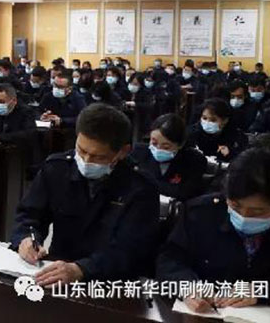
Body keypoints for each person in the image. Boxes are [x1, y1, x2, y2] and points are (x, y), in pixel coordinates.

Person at [10, 103, 159, 284]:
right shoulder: (57, 169)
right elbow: (29, 214)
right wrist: (26, 238)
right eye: (81, 150)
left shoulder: (141, 187)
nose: (86, 161)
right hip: (55, 272)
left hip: (110, 282)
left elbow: (131, 251)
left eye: (98, 157)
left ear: (123, 152)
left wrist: (82, 269)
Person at [156, 148, 270, 311]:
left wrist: (264, 291)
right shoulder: (201, 212)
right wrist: (188, 286)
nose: (244, 216)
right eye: (235, 206)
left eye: (258, 212)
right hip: (205, 311)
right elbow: (170, 259)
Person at [130, 114, 207, 200]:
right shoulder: (138, 152)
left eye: (166, 147)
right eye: (154, 143)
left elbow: (184, 192)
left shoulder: (195, 160)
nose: (158, 149)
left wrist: (146, 182)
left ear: (180, 144)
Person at [187, 98, 248, 163]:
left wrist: (230, 153)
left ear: (225, 120)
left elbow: (242, 159)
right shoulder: (191, 133)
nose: (207, 122)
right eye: (204, 118)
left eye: (213, 120)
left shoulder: (237, 136)